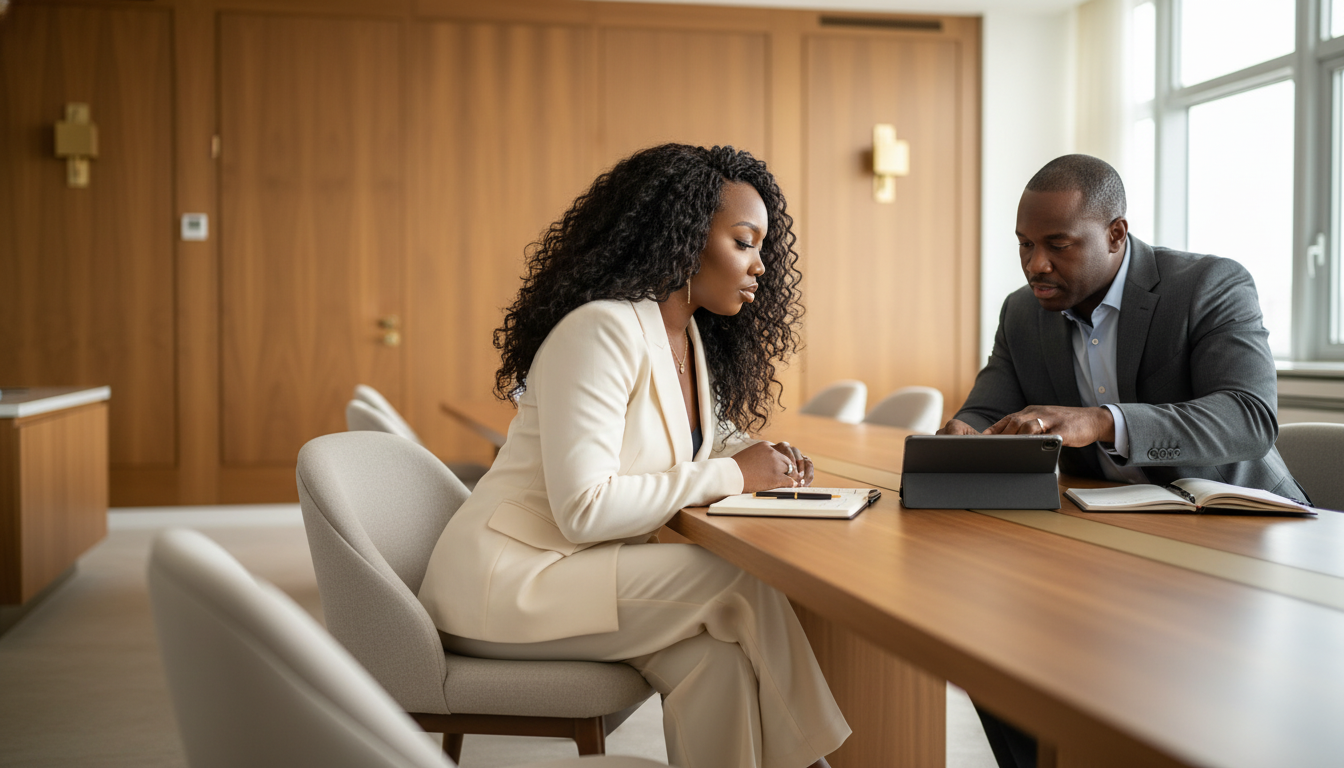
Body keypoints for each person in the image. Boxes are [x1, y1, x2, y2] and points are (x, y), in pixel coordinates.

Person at [418, 144, 850, 768]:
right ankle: (816, 762)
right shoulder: (601, 329)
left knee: (718, 663)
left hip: (583, 574)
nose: (760, 265)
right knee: (738, 580)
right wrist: (733, 473)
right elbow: (584, 511)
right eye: (744, 241)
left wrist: (753, 454)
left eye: (762, 247)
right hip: (508, 582)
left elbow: (686, 442)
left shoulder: (687, 337)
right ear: (682, 238)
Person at [939, 153, 1307, 768]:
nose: (1036, 264)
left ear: (1116, 234)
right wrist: (961, 434)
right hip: (1107, 541)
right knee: (988, 645)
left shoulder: (1209, 285)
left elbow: (1249, 417)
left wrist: (1103, 421)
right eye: (1024, 245)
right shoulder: (1023, 312)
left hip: (1236, 541)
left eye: (1057, 244)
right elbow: (986, 406)